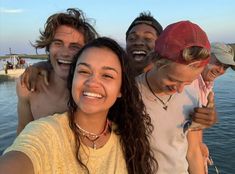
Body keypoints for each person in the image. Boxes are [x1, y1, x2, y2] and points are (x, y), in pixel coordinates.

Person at [0, 37, 157, 174]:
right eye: (84, 71)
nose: (92, 82)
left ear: (121, 89)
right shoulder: (45, 133)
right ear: (72, 79)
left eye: (107, 75)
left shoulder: (128, 139)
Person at [136, 20, 216, 173]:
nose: (179, 90)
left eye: (188, 82)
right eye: (172, 79)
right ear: (156, 61)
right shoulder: (130, 94)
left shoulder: (192, 93)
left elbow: (192, 151)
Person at [16, 8, 99, 134]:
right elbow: (23, 132)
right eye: (58, 43)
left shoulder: (94, 91)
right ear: (48, 47)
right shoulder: (28, 86)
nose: (65, 53)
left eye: (74, 46)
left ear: (86, 51)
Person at [192, 42, 235, 173]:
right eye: (218, 63)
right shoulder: (190, 83)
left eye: (225, 67)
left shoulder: (207, 85)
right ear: (205, 57)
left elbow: (196, 125)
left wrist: (200, 144)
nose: (221, 70)